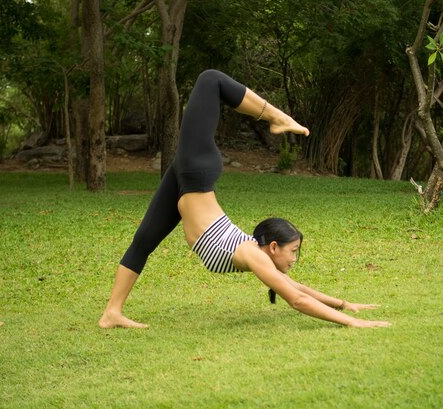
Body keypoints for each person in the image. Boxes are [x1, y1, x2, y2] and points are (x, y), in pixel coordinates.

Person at [98, 70, 391, 329]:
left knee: (142, 242)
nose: (294, 259)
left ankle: (112, 313)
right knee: (210, 79)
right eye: (293, 251)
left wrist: (344, 304)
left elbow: (295, 288)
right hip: (195, 174)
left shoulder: (255, 255)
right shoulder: (252, 253)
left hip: (186, 181)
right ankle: (277, 117)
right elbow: (298, 299)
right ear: (273, 247)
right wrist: (354, 321)